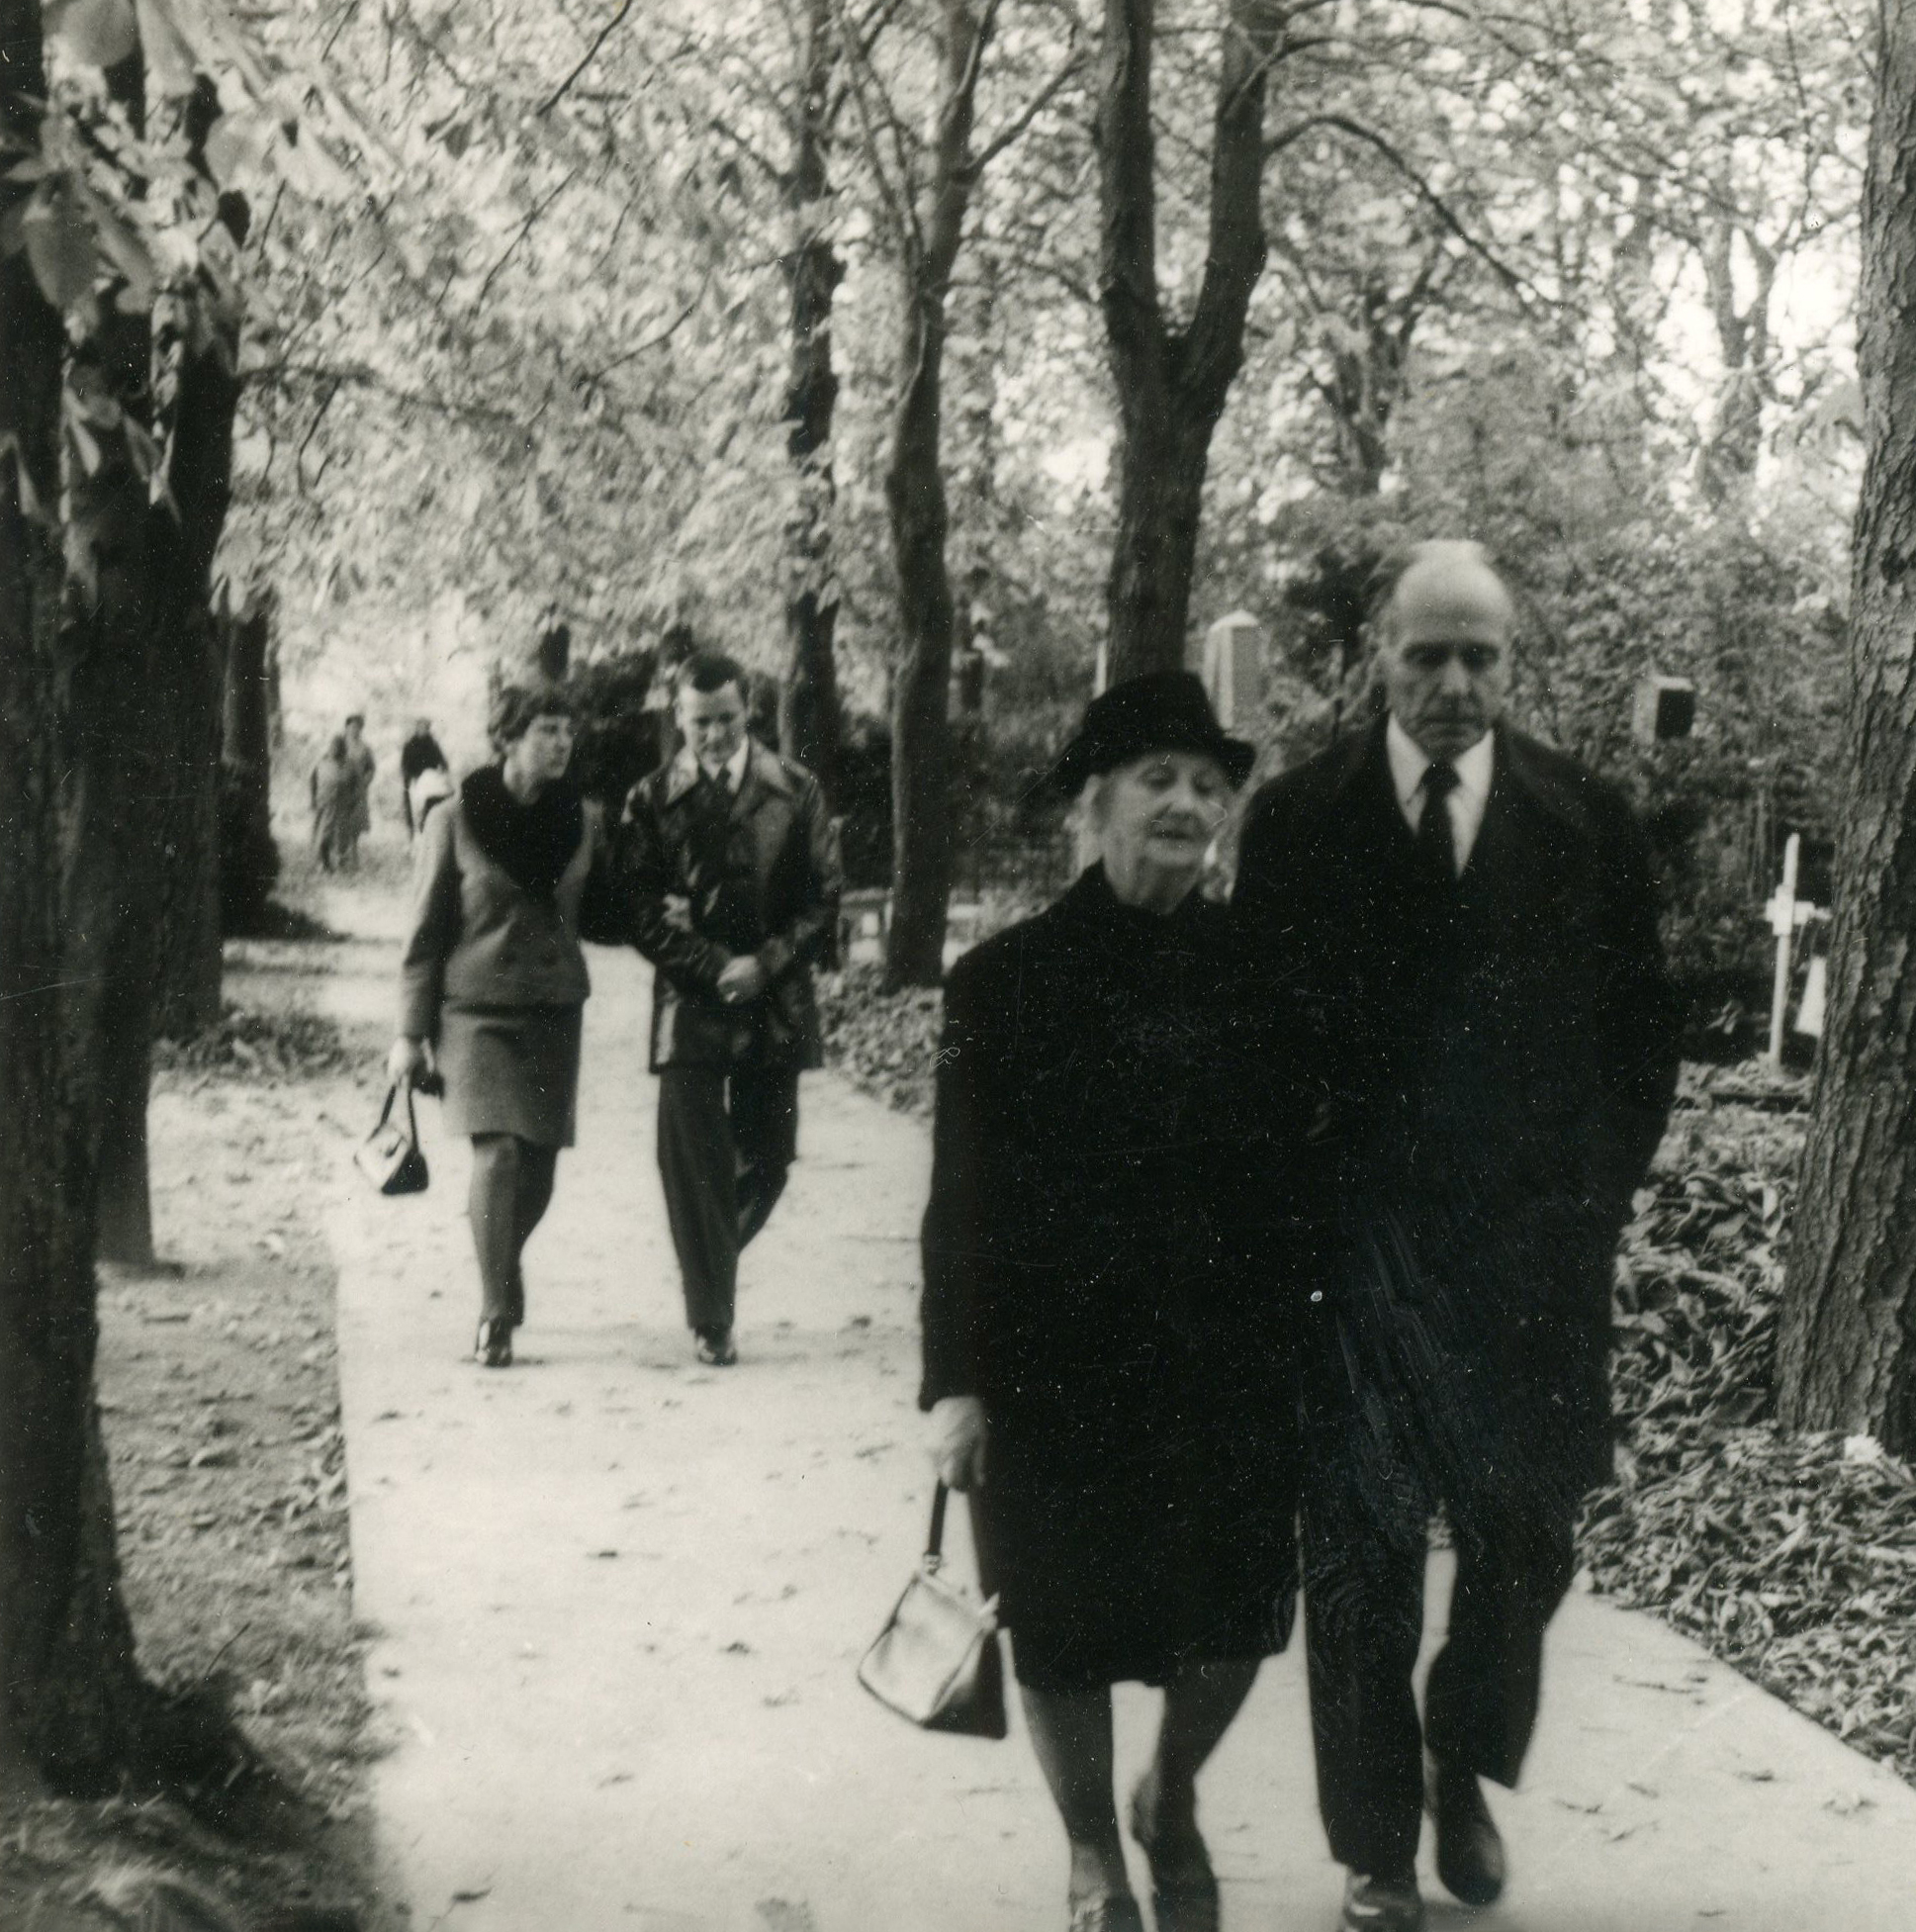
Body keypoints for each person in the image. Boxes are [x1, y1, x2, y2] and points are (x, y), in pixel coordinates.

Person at [1231, 541, 1681, 1932]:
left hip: (1526, 1263)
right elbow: (1258, 1045)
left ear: (1510, 664)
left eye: (1478, 657)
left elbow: (1640, 1040)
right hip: (1354, 1265)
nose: (1451, 684)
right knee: (1359, 1560)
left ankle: (1459, 1752)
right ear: (1380, 656)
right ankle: (1375, 1847)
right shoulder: (1298, 823)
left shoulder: (1585, 822)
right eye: (1425, 655)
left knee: (1525, 1542)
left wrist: (1590, 1203)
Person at [922, 671, 1298, 1932]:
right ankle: (1092, 1852)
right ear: (1095, 803)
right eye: (1156, 779)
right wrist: (954, 1384)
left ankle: (1168, 1794)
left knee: (1236, 1621)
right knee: (1061, 1627)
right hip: (1052, 1371)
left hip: (1224, 1366)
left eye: (1207, 784)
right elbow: (959, 1197)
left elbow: (1303, 1182)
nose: (1186, 803)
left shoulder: (1266, 976)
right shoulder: (999, 984)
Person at [616, 653, 841, 1367]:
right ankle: (712, 1318)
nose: (714, 735)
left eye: (727, 719)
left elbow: (824, 898)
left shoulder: (797, 789)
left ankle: (705, 1260)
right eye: (699, 722)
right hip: (689, 1002)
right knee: (689, 1162)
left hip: (775, 1000)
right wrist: (715, 966)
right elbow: (636, 909)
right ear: (678, 718)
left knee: (769, 1162)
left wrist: (764, 963)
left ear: (750, 711)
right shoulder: (650, 799)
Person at [392, 680, 623, 1367]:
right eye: (546, 729)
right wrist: (409, 1035)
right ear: (508, 739)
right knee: (499, 1155)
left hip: (553, 1009)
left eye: (567, 731)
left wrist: (660, 910)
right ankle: (495, 1316)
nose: (561, 743)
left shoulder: (584, 820)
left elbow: (606, 912)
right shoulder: (453, 819)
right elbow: (423, 935)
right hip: (475, 1013)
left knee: (540, 1173)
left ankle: (502, 1260)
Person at [311, 714, 377, 873]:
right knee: (327, 828)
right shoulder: (336, 744)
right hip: (329, 796)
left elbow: (370, 768)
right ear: (346, 728)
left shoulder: (365, 748)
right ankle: (327, 859)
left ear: (361, 729)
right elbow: (318, 771)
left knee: (351, 825)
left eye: (357, 727)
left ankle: (348, 857)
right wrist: (315, 796)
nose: (354, 730)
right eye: (351, 727)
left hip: (353, 792)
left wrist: (364, 783)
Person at [400, 719, 451, 836]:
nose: (423, 730)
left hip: (431, 782)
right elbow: (405, 765)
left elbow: (443, 762)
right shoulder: (410, 746)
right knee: (414, 806)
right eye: (421, 727)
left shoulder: (433, 745)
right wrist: (412, 777)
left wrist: (441, 770)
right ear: (416, 728)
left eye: (426, 728)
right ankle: (414, 832)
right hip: (415, 779)